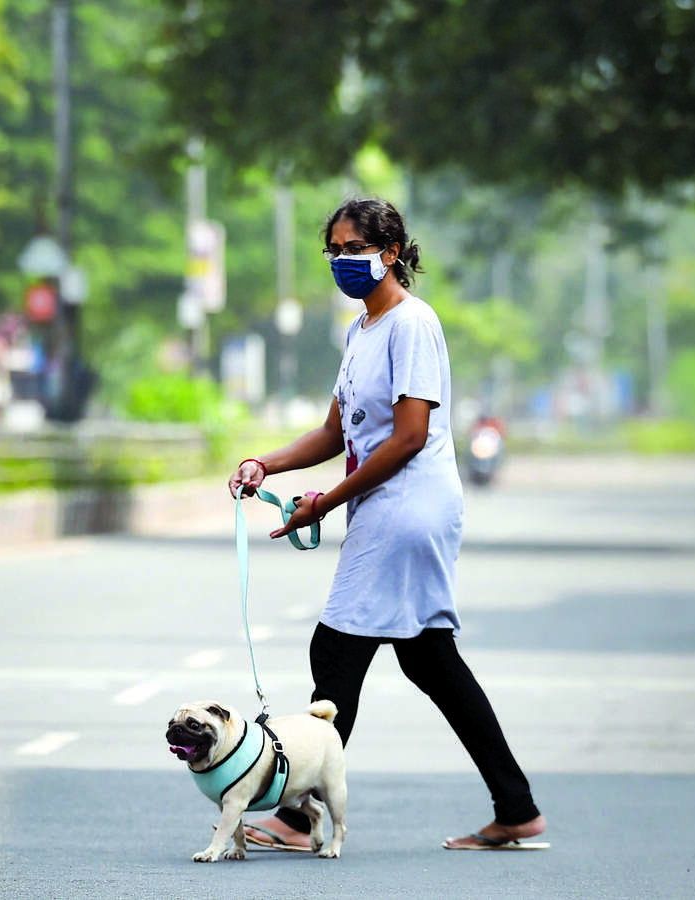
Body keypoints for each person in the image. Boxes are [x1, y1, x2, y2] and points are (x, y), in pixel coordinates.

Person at [227, 198, 547, 852]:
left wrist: (325, 503)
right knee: (430, 660)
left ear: (391, 251)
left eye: (355, 248)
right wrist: (266, 464)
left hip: (409, 506)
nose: (342, 260)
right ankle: (516, 808)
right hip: (386, 505)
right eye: (334, 250)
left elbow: (408, 438)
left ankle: (299, 817)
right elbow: (334, 432)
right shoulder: (363, 331)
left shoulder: (412, 324)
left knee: (335, 649)